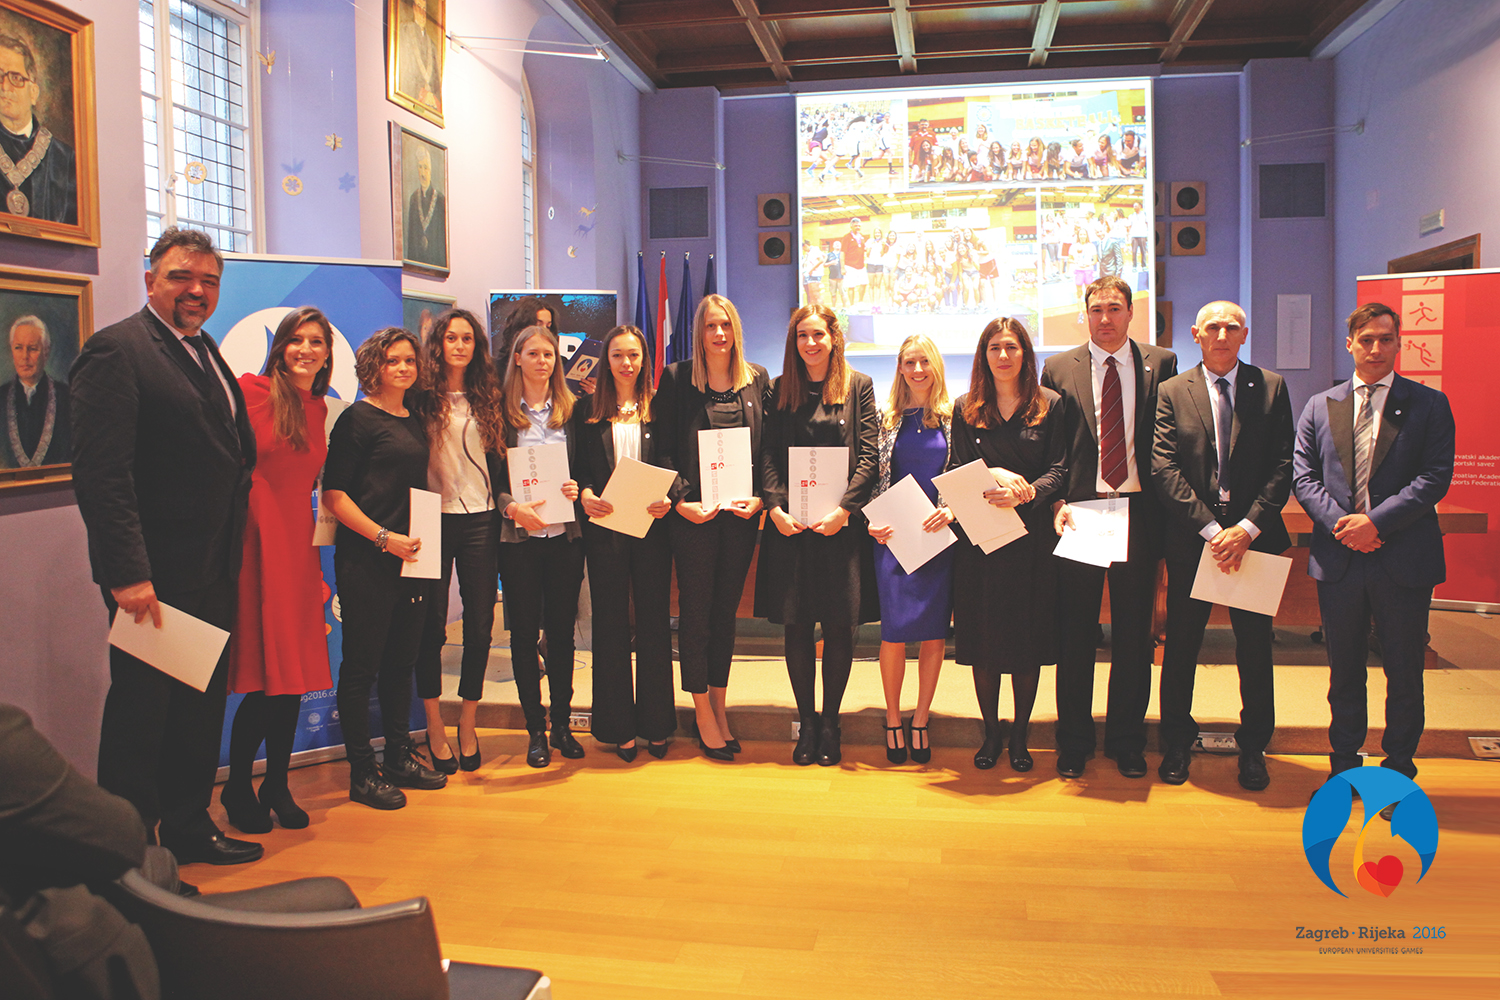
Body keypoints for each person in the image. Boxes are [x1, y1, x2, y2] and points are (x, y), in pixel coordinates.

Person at [71, 227, 261, 866]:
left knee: (197, 709)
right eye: (182, 276)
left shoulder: (205, 348)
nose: (196, 290)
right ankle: (127, 855)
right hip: (153, 576)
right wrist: (127, 573)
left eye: (209, 281)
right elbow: (103, 476)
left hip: (210, 568)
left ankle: (187, 827)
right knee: (142, 717)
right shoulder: (117, 351)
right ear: (151, 278)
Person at [1293, 303, 1454, 786]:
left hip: (1403, 558)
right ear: (1350, 345)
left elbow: (1434, 478)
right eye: (1366, 339)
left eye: (1386, 339)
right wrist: (1345, 527)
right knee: (1344, 673)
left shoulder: (1429, 404)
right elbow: (1304, 477)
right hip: (1339, 558)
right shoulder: (1320, 405)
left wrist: (1375, 524)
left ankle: (1398, 771)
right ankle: (1344, 767)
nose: (1376, 348)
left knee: (1404, 673)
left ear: (1399, 343)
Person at [1151, 301, 1293, 790]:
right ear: (1196, 334)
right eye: (1212, 327)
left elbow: (1283, 464)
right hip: (1195, 541)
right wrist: (1214, 531)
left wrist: (1247, 529)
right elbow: (1163, 467)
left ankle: (1253, 747)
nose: (1222, 335)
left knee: (1254, 649)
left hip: (1253, 541)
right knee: (1181, 646)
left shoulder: (1271, 387)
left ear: (1244, 334)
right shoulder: (1172, 391)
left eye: (1232, 327)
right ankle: (1176, 742)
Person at [1042, 275, 1177, 780]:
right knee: (1075, 633)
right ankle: (1074, 740)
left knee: (1134, 636)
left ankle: (1126, 740)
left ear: (1130, 313)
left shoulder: (1161, 363)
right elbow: (1053, 447)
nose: (1105, 318)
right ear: (1086, 313)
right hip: (1082, 512)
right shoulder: (1059, 368)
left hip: (1139, 514)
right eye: (1096, 309)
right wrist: (1057, 501)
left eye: (1114, 308)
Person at [322, 327, 448, 809]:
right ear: (373, 366)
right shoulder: (356, 419)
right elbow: (334, 495)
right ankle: (362, 772)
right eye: (392, 360)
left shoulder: (413, 416)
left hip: (411, 559)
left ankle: (397, 757)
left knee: (401, 664)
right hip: (367, 561)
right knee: (361, 668)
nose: (402, 368)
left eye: (409, 361)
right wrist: (382, 537)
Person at [221, 307, 336, 833]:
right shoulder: (251, 392)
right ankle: (238, 785)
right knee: (266, 677)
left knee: (291, 678)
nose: (306, 350)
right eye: (297, 339)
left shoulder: (319, 407)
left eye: (316, 341)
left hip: (298, 546)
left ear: (328, 354)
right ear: (280, 346)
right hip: (256, 546)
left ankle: (277, 783)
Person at [757, 304, 879, 767]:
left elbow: (868, 456)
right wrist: (774, 507)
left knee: (839, 626)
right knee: (797, 626)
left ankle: (831, 723)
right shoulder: (778, 389)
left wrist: (845, 510)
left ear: (834, 338)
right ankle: (806, 722)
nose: (810, 343)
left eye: (818, 335)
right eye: (802, 336)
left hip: (839, 528)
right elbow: (768, 453)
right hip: (791, 528)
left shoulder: (857, 386)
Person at [949, 319, 1066, 770]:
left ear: (1025, 354)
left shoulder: (1050, 404)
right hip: (981, 541)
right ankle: (991, 734)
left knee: (1026, 641)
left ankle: (1020, 736)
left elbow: (1061, 469)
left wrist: (1028, 492)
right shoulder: (966, 407)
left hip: (1032, 540)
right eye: (995, 348)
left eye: (1012, 347)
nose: (1003, 356)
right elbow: (956, 467)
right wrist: (994, 474)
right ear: (984, 354)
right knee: (983, 640)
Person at [656, 295, 770, 759]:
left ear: (735, 329)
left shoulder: (757, 379)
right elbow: (662, 448)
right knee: (697, 615)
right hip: (694, 520)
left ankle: (720, 708)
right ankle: (701, 711)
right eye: (710, 326)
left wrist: (761, 498)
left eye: (725, 325)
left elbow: (767, 449)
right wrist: (681, 500)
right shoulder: (677, 378)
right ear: (699, 333)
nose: (719, 334)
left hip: (740, 520)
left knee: (725, 615)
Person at [575, 325, 675, 761]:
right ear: (607, 361)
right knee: (611, 626)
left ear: (644, 360)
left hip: (652, 530)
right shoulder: (586, 411)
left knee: (654, 625)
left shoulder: (659, 408)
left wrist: (669, 497)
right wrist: (585, 494)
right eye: (618, 355)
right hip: (605, 529)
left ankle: (657, 724)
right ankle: (620, 728)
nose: (626, 363)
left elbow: (671, 461)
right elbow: (578, 469)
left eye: (634, 355)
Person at [413, 308, 506, 774]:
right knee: (430, 626)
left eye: (467, 338)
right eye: (451, 337)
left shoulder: (489, 395)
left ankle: (468, 720)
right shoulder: (420, 397)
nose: (459, 345)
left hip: (481, 518)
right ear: (438, 343)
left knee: (480, 625)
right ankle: (434, 723)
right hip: (430, 517)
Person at [494, 324, 585, 768]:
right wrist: (512, 508)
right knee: (524, 635)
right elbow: (491, 480)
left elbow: (587, 469)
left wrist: (577, 487)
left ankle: (563, 724)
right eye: (533, 353)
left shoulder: (572, 411)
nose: (542, 361)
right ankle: (535, 729)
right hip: (520, 543)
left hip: (564, 540)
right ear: (517, 358)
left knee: (562, 634)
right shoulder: (499, 413)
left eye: (548, 354)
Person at [865, 335, 954, 765]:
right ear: (900, 368)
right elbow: (868, 473)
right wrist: (869, 519)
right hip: (893, 538)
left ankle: (920, 719)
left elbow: (964, 473)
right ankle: (892, 718)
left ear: (935, 365)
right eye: (909, 362)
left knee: (934, 631)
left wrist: (952, 509)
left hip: (937, 537)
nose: (917, 370)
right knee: (894, 632)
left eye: (924, 361)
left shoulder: (955, 418)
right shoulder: (885, 419)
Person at [0, 34, 75, 224]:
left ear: (33, 92)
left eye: (16, 78)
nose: (5, 87)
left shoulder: (64, 158)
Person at [2, 314, 69, 467]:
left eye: (32, 349)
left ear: (46, 352)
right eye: (18, 348)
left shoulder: (67, 397)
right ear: (12, 351)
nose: (24, 356)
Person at [405, 144, 446, 269]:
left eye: (426, 168)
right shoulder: (413, 199)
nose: (422, 173)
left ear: (430, 170)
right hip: (417, 262)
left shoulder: (440, 200)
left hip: (435, 263)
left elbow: (442, 242)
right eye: (420, 167)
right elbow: (411, 239)